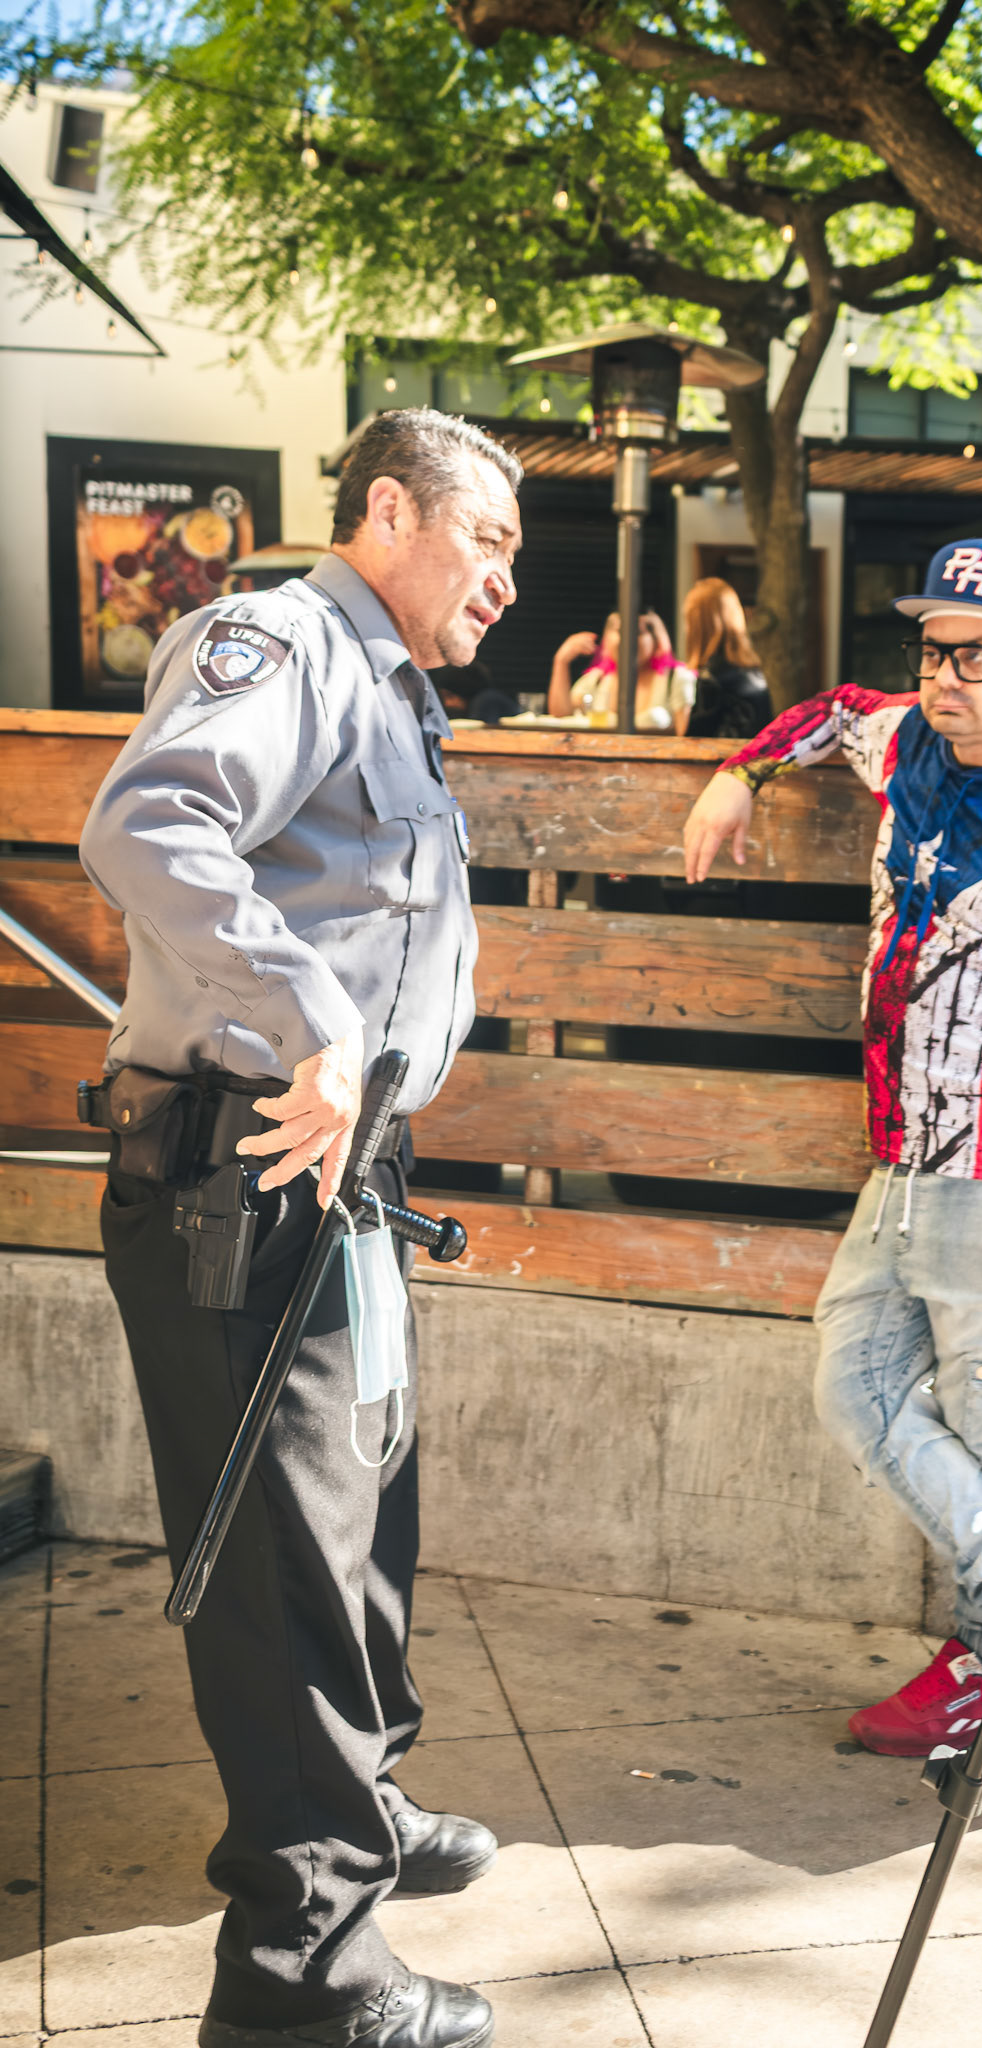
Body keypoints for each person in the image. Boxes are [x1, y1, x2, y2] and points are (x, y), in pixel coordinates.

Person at [77, 409, 523, 2048]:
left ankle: (362, 1812)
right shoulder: (282, 642)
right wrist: (317, 1019)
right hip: (243, 1168)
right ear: (389, 511)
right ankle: (301, 1966)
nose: (506, 581)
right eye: (488, 541)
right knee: (284, 1568)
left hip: (339, 1172)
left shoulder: (390, 682)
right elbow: (149, 824)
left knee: (361, 1516)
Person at [682, 538, 982, 1793]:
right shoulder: (909, 744)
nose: (945, 674)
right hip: (900, 1161)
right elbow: (834, 711)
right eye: (935, 647)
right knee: (857, 1386)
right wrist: (737, 774)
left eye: (977, 653)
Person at [547, 607, 695, 731]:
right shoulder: (597, 680)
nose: (628, 640)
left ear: (656, 639)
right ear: (607, 638)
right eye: (620, 631)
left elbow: (685, 736)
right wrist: (561, 661)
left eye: (637, 632)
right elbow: (561, 715)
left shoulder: (676, 679)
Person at [681, 577, 773, 739]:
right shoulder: (754, 673)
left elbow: (694, 742)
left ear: (698, 626)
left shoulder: (711, 677)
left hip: (727, 755)